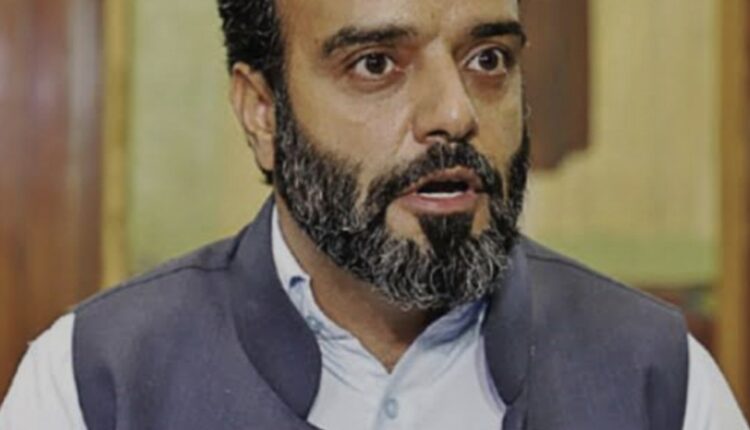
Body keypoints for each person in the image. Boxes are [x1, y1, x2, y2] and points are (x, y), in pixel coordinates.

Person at [1, 0, 748, 428]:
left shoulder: (659, 380)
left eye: (488, 59)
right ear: (262, 111)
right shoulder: (92, 385)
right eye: (375, 64)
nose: (454, 113)